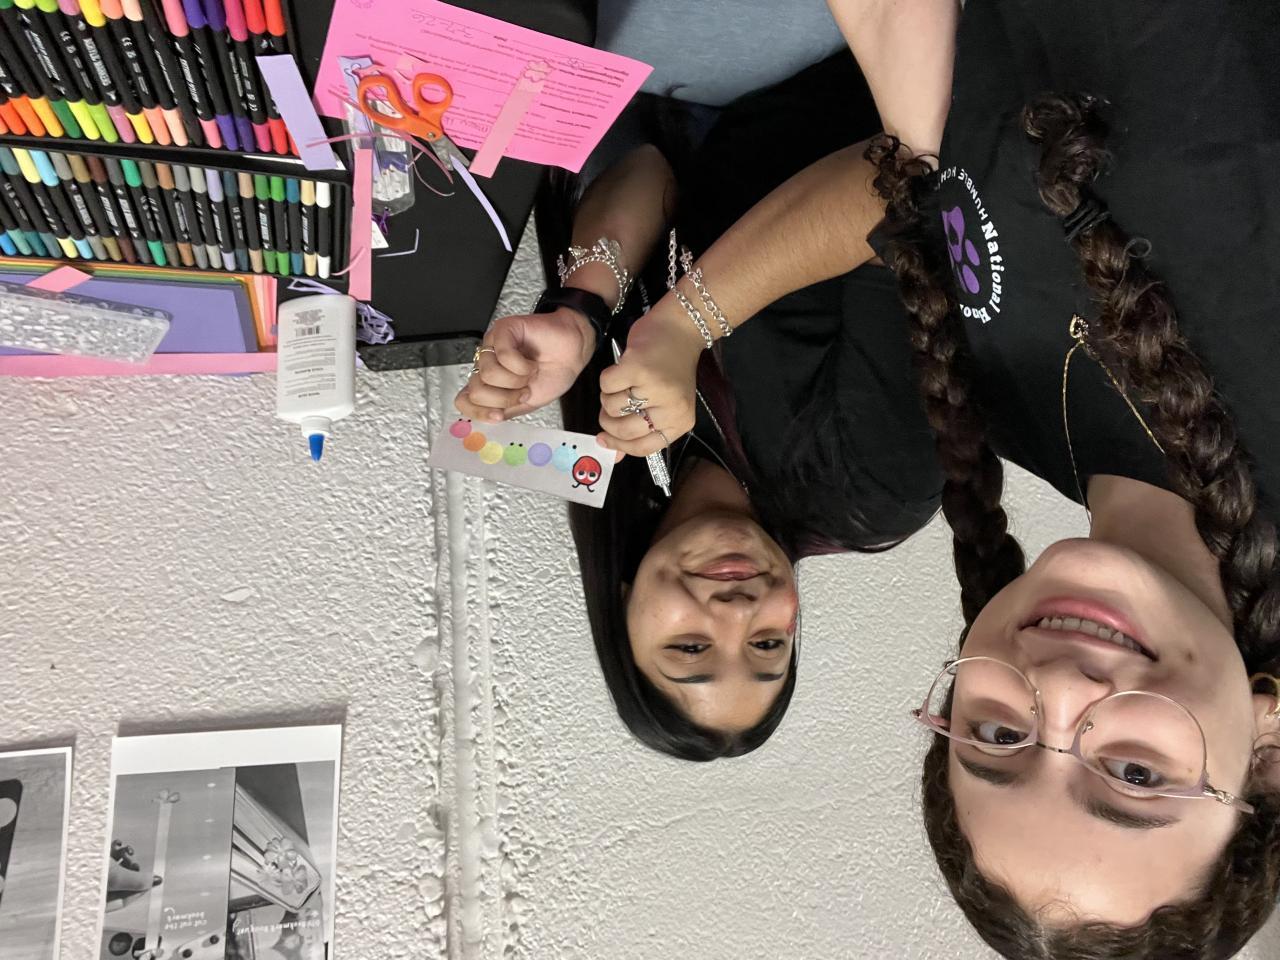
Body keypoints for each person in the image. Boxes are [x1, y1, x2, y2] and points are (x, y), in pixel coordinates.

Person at [590, 0, 1280, 954]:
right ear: (1267, 755)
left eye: (997, 740)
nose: (1059, 692)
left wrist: (672, 324)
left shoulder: (1021, 418)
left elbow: (909, 183)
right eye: (1134, 774)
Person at [455, 54, 942, 759]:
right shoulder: (873, 491)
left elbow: (649, 167)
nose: (738, 615)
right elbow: (898, 186)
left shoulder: (621, 466)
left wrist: (581, 308)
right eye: (768, 644)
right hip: (829, 59)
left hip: (682, 93)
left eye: (690, 647)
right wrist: (685, 326)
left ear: (624, 603)